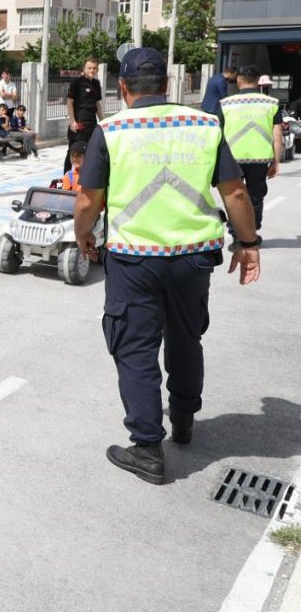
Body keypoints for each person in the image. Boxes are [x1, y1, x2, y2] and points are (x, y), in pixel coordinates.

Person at [72, 47, 261, 486]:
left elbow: (87, 200)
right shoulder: (204, 124)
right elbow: (235, 194)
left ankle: (146, 448)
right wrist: (248, 244)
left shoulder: (111, 130)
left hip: (134, 259)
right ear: (168, 86)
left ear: (122, 88)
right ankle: (183, 420)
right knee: (185, 337)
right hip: (193, 258)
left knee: (135, 347)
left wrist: (84, 234)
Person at [219, 65, 284, 237]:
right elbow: (277, 135)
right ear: (257, 81)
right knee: (255, 196)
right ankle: (251, 233)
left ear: (238, 81)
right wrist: (276, 162)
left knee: (234, 195)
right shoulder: (272, 103)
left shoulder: (225, 104)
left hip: (232, 159)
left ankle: (236, 233)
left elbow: (217, 133)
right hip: (260, 159)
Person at [65, 58, 104, 172]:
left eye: (94, 68)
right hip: (79, 123)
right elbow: (69, 101)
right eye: (89, 68)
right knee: (73, 152)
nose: (92, 70)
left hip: (92, 123)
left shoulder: (96, 83)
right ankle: (65, 181)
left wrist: (103, 121)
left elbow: (97, 104)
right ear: (84, 68)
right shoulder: (77, 82)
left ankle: (84, 180)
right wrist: (72, 121)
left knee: (89, 152)